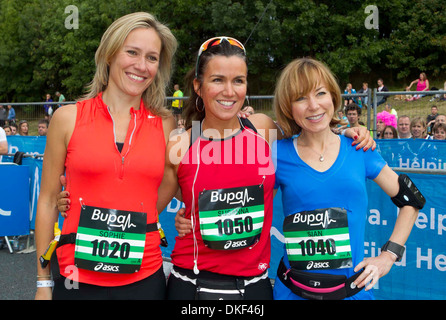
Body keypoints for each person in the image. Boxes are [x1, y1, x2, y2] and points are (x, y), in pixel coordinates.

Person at [34, 12, 177, 300]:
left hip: (144, 277)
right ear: (110, 55)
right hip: (75, 277)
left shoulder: (166, 124)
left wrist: (130, 215)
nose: (141, 65)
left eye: (152, 57)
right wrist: (43, 283)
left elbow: (169, 184)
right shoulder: (66, 118)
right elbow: (49, 199)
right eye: (132, 52)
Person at [272, 57, 423, 300]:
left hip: (352, 292)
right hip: (292, 292)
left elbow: (412, 200)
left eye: (320, 93)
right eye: (300, 98)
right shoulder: (277, 154)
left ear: (333, 97)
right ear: (288, 106)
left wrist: (389, 255)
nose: (313, 105)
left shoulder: (359, 148)